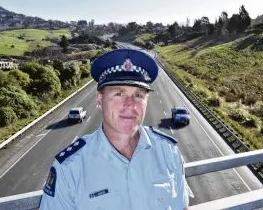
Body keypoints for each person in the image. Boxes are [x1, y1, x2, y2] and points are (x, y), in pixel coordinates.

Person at [39, 48, 194, 210]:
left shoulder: (168, 151)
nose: (130, 105)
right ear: (100, 100)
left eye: (138, 95)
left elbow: (182, 207)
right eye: (119, 94)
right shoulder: (69, 168)